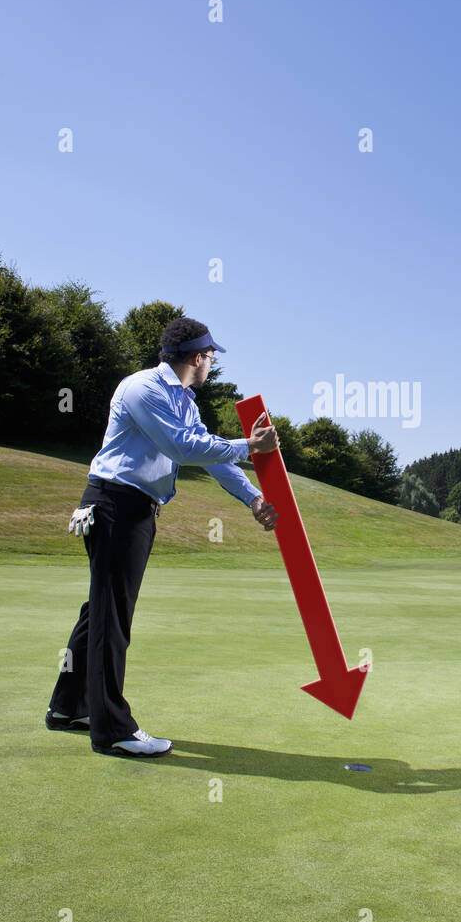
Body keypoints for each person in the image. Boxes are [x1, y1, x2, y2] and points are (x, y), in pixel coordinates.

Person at [46, 317, 279, 758]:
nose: (211, 365)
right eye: (210, 357)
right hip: (116, 504)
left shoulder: (184, 401)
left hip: (132, 508)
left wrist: (251, 499)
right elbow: (183, 449)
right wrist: (250, 444)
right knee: (112, 616)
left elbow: (210, 453)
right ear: (198, 357)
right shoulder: (143, 389)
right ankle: (112, 728)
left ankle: (67, 707)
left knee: (100, 611)